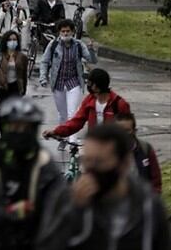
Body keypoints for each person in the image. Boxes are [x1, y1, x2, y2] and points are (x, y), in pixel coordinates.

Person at [0, 97, 68, 249]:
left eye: (26, 127)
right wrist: (7, 213)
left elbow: (61, 214)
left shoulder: (45, 166)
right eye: (15, 126)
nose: (20, 133)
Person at [41, 124, 170, 250]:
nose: (91, 169)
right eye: (87, 160)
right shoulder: (68, 201)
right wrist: (74, 212)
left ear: (124, 163)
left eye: (99, 162)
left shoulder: (148, 206)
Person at [38, 19, 98, 149]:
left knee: (73, 112)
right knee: (62, 113)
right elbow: (44, 61)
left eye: (68, 31)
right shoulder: (53, 45)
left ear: (73, 32)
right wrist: (43, 77)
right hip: (58, 83)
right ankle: (63, 138)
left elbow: (92, 60)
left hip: (74, 82)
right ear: (59, 32)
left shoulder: (78, 45)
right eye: (63, 31)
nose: (65, 33)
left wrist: (91, 50)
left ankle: (73, 140)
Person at [42, 68, 130, 140]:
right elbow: (77, 121)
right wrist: (56, 132)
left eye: (90, 83)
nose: (87, 85)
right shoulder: (90, 100)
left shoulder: (119, 104)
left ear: (97, 86)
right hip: (94, 146)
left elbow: (127, 130)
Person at [114, 112, 163, 193]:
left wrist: (153, 199)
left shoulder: (146, 149)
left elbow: (156, 180)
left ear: (134, 131)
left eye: (127, 130)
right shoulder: (106, 153)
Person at [0, 31, 28, 120]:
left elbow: (24, 74)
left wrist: (23, 89)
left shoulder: (22, 57)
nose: (12, 42)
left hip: (15, 87)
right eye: (10, 40)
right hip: (1, 87)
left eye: (14, 40)